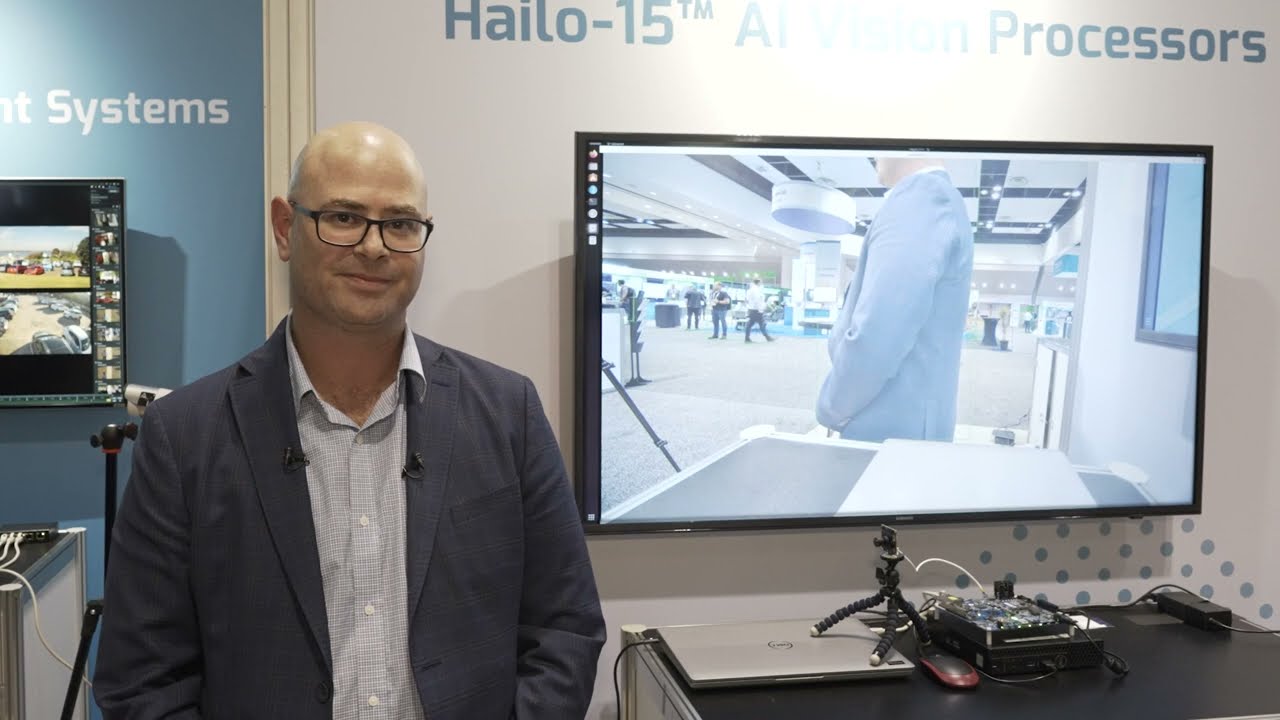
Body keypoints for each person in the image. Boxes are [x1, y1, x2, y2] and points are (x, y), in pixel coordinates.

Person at [94, 122, 606, 720]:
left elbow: (565, 630)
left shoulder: (507, 411)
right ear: (285, 228)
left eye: (400, 224)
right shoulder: (185, 435)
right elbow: (143, 680)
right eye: (343, 217)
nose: (374, 247)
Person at [816, 156, 974, 442]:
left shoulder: (921, 197)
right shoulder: (938, 198)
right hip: (908, 427)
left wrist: (832, 407)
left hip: (888, 429)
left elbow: (878, 333)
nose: (874, 152)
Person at [743, 278, 774, 343]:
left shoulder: (750, 290)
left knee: (750, 324)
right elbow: (757, 300)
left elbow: (747, 300)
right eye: (761, 282)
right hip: (756, 310)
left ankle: (747, 338)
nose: (761, 284)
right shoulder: (756, 290)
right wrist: (760, 309)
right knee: (761, 324)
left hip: (752, 309)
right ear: (758, 282)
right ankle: (768, 337)